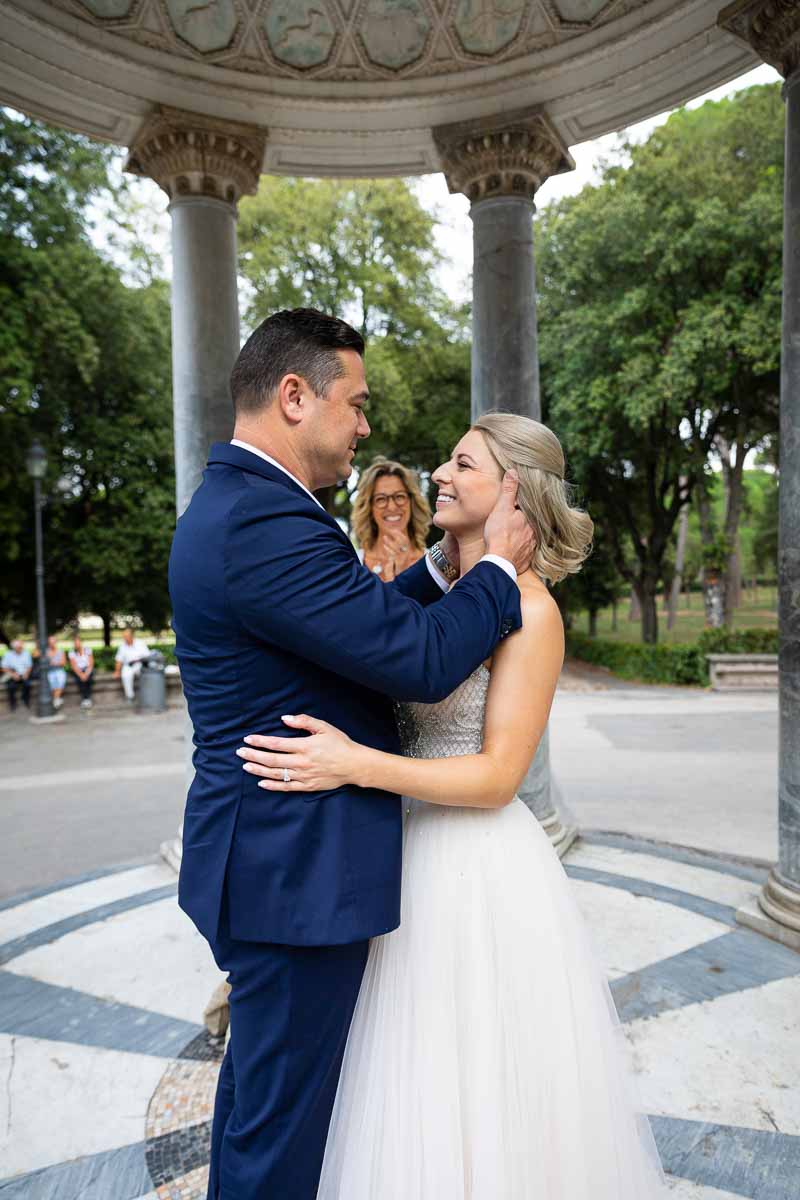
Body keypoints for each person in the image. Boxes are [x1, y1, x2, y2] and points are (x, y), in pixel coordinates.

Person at [238, 413, 668, 1200]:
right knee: (399, 1075)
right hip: (400, 852)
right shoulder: (442, 595)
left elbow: (500, 776)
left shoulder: (531, 613)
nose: (438, 472)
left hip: (475, 868)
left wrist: (353, 763)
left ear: (512, 490)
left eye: (461, 464)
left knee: (471, 1075)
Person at [168, 307, 532, 1200]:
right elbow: (418, 659)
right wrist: (496, 570)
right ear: (295, 396)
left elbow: (352, 626)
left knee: (267, 1105)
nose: (366, 427)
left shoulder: (253, 507)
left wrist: (446, 568)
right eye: (356, 402)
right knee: (278, 1137)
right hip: (290, 873)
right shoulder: (264, 523)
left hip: (274, 863)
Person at [352, 458, 430, 581]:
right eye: (381, 499)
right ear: (369, 507)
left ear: (412, 502)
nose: (392, 507)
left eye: (399, 496)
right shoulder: (353, 564)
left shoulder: (433, 565)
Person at [114, 628, 150, 703]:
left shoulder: (140, 643)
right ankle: (130, 696)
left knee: (144, 674)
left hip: (140, 664)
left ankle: (147, 695)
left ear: (132, 636)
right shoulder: (122, 646)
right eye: (124, 636)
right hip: (128, 665)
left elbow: (147, 656)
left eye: (126, 636)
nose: (125, 638)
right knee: (125, 675)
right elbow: (119, 660)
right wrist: (117, 671)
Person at [2, 639, 33, 712]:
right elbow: (4, 667)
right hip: (13, 675)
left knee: (27, 685)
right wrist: (13, 674)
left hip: (24, 674)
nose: (20, 649)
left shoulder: (26, 653)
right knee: (11, 687)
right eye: (18, 647)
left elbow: (29, 666)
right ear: (14, 648)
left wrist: (26, 674)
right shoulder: (8, 654)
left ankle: (26, 700)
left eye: (20, 647)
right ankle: (13, 704)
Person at [68, 636, 95, 708]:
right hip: (78, 670)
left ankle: (87, 698)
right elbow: (74, 666)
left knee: (89, 679)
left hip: (87, 669)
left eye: (78, 643)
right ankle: (85, 699)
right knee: (79, 680)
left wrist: (86, 674)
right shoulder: (71, 652)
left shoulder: (87, 650)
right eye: (75, 643)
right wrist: (81, 675)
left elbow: (91, 663)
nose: (77, 644)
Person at [46, 635, 67, 710]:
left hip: (59, 670)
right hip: (49, 671)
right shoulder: (45, 651)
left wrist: (54, 663)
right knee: (52, 682)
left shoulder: (60, 651)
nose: (52, 644)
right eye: (50, 642)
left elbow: (63, 663)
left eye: (53, 642)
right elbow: (35, 654)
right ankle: (57, 699)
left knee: (60, 680)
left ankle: (55, 699)